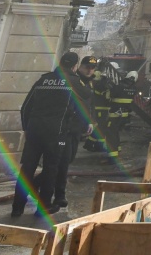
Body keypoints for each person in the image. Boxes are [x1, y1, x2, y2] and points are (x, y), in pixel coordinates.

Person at [11, 52, 84, 218]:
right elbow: (83, 107)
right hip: (57, 133)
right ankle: (43, 208)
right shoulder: (74, 82)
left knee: (27, 168)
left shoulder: (43, 80)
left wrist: (27, 128)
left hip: (34, 131)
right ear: (75, 66)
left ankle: (17, 208)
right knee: (51, 168)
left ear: (60, 63)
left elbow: (26, 107)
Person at [52, 55, 97, 208]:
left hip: (77, 128)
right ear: (79, 67)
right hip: (67, 127)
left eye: (92, 68)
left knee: (67, 160)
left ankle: (41, 186)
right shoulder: (75, 80)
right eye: (87, 67)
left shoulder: (89, 82)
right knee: (62, 162)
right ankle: (58, 195)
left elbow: (89, 105)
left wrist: (89, 121)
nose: (90, 70)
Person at [104, 70, 137, 158]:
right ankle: (117, 149)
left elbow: (108, 96)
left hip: (115, 114)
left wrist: (109, 86)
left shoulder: (119, 86)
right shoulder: (134, 89)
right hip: (124, 115)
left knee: (111, 134)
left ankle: (112, 156)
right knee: (115, 132)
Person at [83, 68, 112, 153]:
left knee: (99, 127)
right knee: (101, 128)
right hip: (101, 109)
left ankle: (90, 144)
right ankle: (97, 146)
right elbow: (107, 98)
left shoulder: (96, 85)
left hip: (100, 109)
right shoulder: (100, 86)